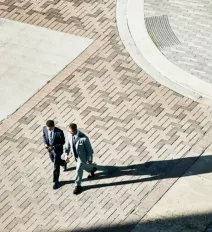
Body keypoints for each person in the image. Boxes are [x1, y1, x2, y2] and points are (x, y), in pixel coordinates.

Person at [65, 123, 97, 194]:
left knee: (79, 169)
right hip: (75, 156)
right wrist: (67, 155)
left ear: (75, 130)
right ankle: (92, 169)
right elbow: (68, 145)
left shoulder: (83, 138)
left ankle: (78, 185)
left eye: (71, 132)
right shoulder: (69, 134)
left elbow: (89, 150)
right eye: (69, 131)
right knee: (82, 166)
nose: (70, 133)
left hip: (82, 157)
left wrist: (90, 159)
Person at [43, 120, 67, 190]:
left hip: (57, 150)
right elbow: (44, 136)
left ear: (53, 126)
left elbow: (62, 142)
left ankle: (56, 181)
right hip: (50, 150)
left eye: (50, 129)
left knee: (56, 166)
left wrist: (54, 147)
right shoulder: (45, 129)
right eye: (47, 128)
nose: (48, 130)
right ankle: (63, 163)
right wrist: (45, 143)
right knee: (52, 160)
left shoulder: (59, 132)